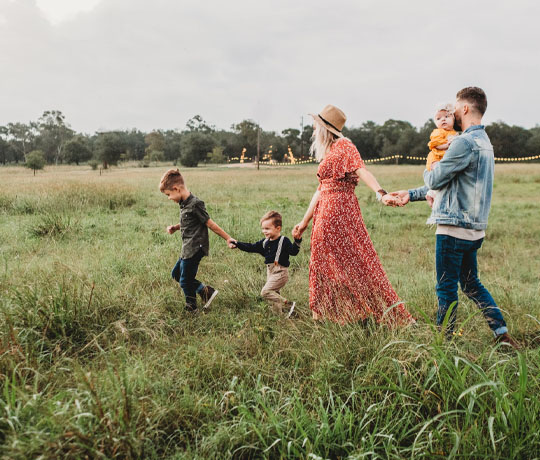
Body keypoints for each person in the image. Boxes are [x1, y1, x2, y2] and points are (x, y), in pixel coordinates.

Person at [390, 87, 518, 347]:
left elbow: (436, 178)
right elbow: (452, 185)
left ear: (466, 109)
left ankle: (443, 344)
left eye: (456, 108)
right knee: (471, 284)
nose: (454, 113)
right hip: (475, 230)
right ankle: (501, 333)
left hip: (452, 229)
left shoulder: (463, 142)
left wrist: (430, 167)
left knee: (446, 288)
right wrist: (411, 194)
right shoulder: (485, 143)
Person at [292, 104, 414, 326]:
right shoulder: (328, 152)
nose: (312, 129)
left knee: (356, 261)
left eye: (316, 125)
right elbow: (320, 189)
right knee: (323, 262)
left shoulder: (345, 146)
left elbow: (362, 170)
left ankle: (368, 312)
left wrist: (381, 194)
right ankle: (328, 314)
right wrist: (304, 221)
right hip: (325, 211)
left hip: (339, 211)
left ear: (325, 128)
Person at [159, 169, 235, 311]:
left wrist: (228, 238)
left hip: (195, 248)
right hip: (187, 248)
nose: (169, 198)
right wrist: (176, 227)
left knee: (185, 280)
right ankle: (205, 291)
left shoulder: (195, 204)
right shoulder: (184, 203)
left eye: (168, 195)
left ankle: (191, 306)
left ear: (176, 189)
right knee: (176, 274)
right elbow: (190, 222)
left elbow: (210, 223)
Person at [231, 211, 301, 317]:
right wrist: (237, 244)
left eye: (267, 228)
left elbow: (294, 252)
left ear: (278, 228)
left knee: (266, 292)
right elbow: (251, 247)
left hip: (280, 272)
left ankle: (288, 304)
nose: (264, 231)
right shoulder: (265, 242)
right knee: (275, 295)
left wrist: (297, 241)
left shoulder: (284, 241)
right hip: (270, 271)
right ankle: (279, 316)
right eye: (263, 228)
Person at [425, 103, 458, 203]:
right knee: (439, 173)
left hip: (444, 158)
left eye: (447, 116)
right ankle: (432, 193)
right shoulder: (438, 132)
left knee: (445, 177)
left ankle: (433, 193)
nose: (443, 119)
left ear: (453, 119)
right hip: (436, 158)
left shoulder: (454, 133)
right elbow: (436, 144)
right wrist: (447, 145)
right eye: (439, 119)